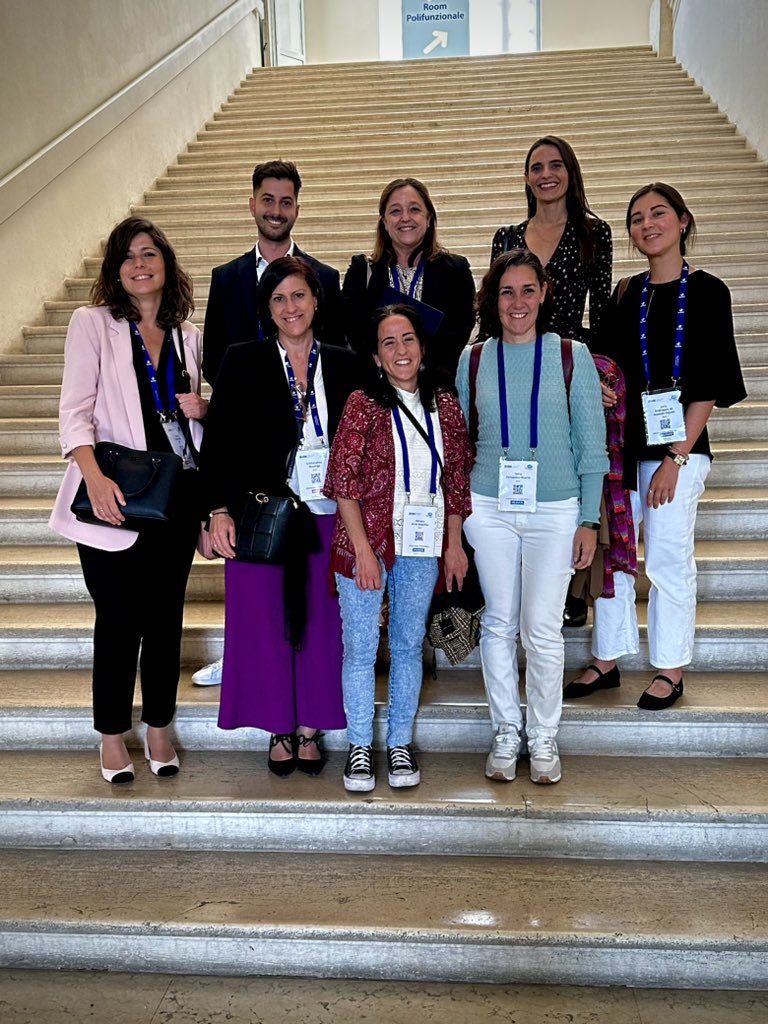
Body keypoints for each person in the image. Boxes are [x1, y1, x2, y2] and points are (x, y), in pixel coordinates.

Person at [566, 183, 746, 710]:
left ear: (684, 221)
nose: (648, 224)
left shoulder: (710, 292)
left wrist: (676, 457)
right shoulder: (628, 294)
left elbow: (710, 385)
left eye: (658, 213)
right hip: (625, 449)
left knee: (666, 557)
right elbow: (609, 362)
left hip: (679, 449)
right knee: (616, 554)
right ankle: (607, 658)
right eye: (637, 218)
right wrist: (600, 382)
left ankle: (670, 667)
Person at [49, 217, 208, 783]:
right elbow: (75, 412)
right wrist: (92, 477)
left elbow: (184, 429)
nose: (140, 265)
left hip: (175, 497)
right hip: (114, 496)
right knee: (118, 619)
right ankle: (112, 736)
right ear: (116, 271)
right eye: (128, 257)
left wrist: (203, 412)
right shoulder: (91, 323)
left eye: (150, 254)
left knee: (165, 620)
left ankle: (159, 727)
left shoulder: (188, 334)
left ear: (166, 263)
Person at [199, 256, 360, 776]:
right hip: (261, 515)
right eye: (278, 299)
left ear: (316, 300)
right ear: (266, 309)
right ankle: (277, 726)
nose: (290, 307)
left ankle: (311, 726)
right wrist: (217, 509)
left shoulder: (344, 363)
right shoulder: (241, 359)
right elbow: (219, 443)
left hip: (329, 516)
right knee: (264, 624)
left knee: (322, 624)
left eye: (298, 296)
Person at [457, 250, 608, 785]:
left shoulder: (572, 355)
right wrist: (456, 524)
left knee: (541, 629)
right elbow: (457, 447)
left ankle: (543, 734)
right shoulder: (473, 359)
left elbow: (592, 447)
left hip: (555, 509)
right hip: (489, 507)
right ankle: (506, 730)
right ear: (491, 300)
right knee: (498, 624)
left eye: (526, 290)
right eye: (505, 292)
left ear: (544, 293)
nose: (516, 302)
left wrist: (589, 519)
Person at [193, 158, 344, 687]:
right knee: (258, 592)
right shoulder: (226, 278)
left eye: (286, 201)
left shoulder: (326, 277)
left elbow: (339, 363)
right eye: (267, 199)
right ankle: (253, 671)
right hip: (257, 470)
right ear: (252, 203)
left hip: (316, 472)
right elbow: (215, 361)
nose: (276, 209)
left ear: (297, 208)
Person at [324, 303, 473, 792]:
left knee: (409, 645)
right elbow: (342, 482)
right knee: (362, 648)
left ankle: (401, 743)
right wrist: (363, 552)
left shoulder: (445, 403)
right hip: (365, 543)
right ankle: (361, 747)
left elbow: (456, 479)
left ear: (423, 347)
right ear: (376, 355)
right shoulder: (362, 403)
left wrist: (453, 544)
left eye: (407, 339)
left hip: (422, 543)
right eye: (389, 342)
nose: (400, 350)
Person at [490, 136, 614, 627]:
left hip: (564, 369)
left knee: (567, 463)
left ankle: (567, 585)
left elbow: (600, 311)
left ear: (570, 173)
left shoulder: (594, 233)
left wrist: (596, 374)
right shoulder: (507, 236)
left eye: (555, 165)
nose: (546, 174)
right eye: (536, 166)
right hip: (514, 363)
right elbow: (493, 307)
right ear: (526, 178)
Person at [342, 177, 476, 384]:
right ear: (384, 222)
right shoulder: (362, 271)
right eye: (395, 211)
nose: (405, 218)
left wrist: (415, 366)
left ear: (429, 217)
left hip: (436, 389)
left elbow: (457, 335)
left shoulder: (455, 271)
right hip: (378, 390)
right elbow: (357, 335)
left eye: (414, 209)